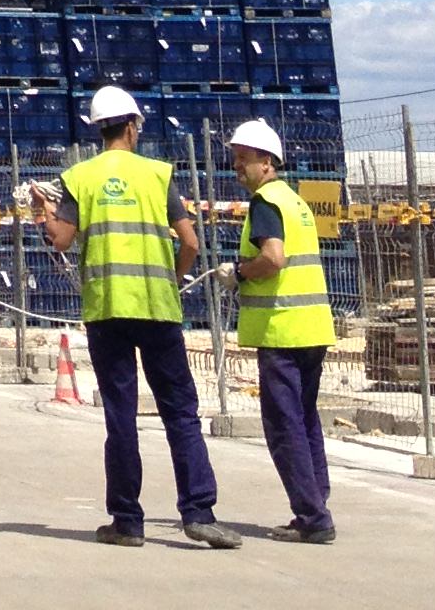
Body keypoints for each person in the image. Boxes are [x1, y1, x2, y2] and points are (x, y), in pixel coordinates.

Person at [32, 85, 239, 549]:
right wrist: (171, 280)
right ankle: (199, 512)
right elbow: (189, 242)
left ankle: (127, 521)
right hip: (157, 307)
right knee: (180, 413)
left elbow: (61, 240)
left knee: (120, 416)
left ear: (98, 129)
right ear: (132, 126)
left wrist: (44, 214)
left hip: (107, 310)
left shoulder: (79, 178)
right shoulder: (157, 175)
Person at [229, 118, 336, 544]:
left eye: (245, 160)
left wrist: (239, 273)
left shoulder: (265, 204)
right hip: (312, 328)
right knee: (306, 420)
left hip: (282, 331)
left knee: (284, 425)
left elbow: (274, 258)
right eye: (235, 158)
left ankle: (312, 516)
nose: (238, 167)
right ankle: (317, 504)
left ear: (267, 163)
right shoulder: (295, 202)